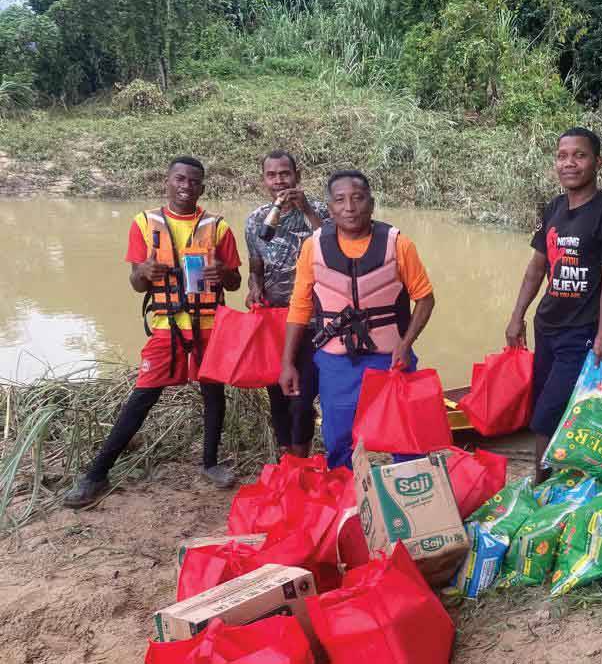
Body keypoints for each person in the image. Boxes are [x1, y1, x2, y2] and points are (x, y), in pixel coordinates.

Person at [63, 156, 243, 508]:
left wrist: (223, 273)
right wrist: (143, 269)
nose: (185, 186)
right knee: (143, 396)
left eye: (193, 181)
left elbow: (235, 282)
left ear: (202, 187)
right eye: (179, 179)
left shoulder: (218, 227)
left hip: (208, 326)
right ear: (167, 181)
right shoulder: (144, 223)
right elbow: (136, 284)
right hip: (166, 326)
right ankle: (96, 474)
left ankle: (209, 463)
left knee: (213, 393)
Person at [279, 170, 435, 469]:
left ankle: (411, 497)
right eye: (340, 200)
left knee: (406, 437)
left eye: (358, 198)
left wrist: (406, 343)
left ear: (371, 203)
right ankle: (347, 499)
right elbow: (299, 307)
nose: (349, 207)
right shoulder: (313, 247)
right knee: (339, 439)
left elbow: (425, 298)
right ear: (329, 208)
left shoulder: (398, 244)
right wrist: (287, 363)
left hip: (391, 359)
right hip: (337, 362)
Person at [504, 127, 602, 485]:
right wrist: (517, 317)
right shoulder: (555, 208)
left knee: (546, 415)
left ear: (597, 162)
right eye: (563, 156)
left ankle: (540, 485)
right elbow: (536, 268)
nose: (569, 163)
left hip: (581, 333)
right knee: (545, 407)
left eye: (580, 155)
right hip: (547, 327)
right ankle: (558, 477)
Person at [245, 151, 327, 458]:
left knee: (302, 394)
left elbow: (333, 244)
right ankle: (286, 456)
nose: (279, 180)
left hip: (314, 320)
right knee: (277, 391)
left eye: (285, 173)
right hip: (274, 318)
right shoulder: (256, 220)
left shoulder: (321, 211)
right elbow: (256, 265)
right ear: (264, 180)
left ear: (297, 175)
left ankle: (301, 455)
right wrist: (254, 287)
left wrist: (305, 208)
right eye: (272, 175)